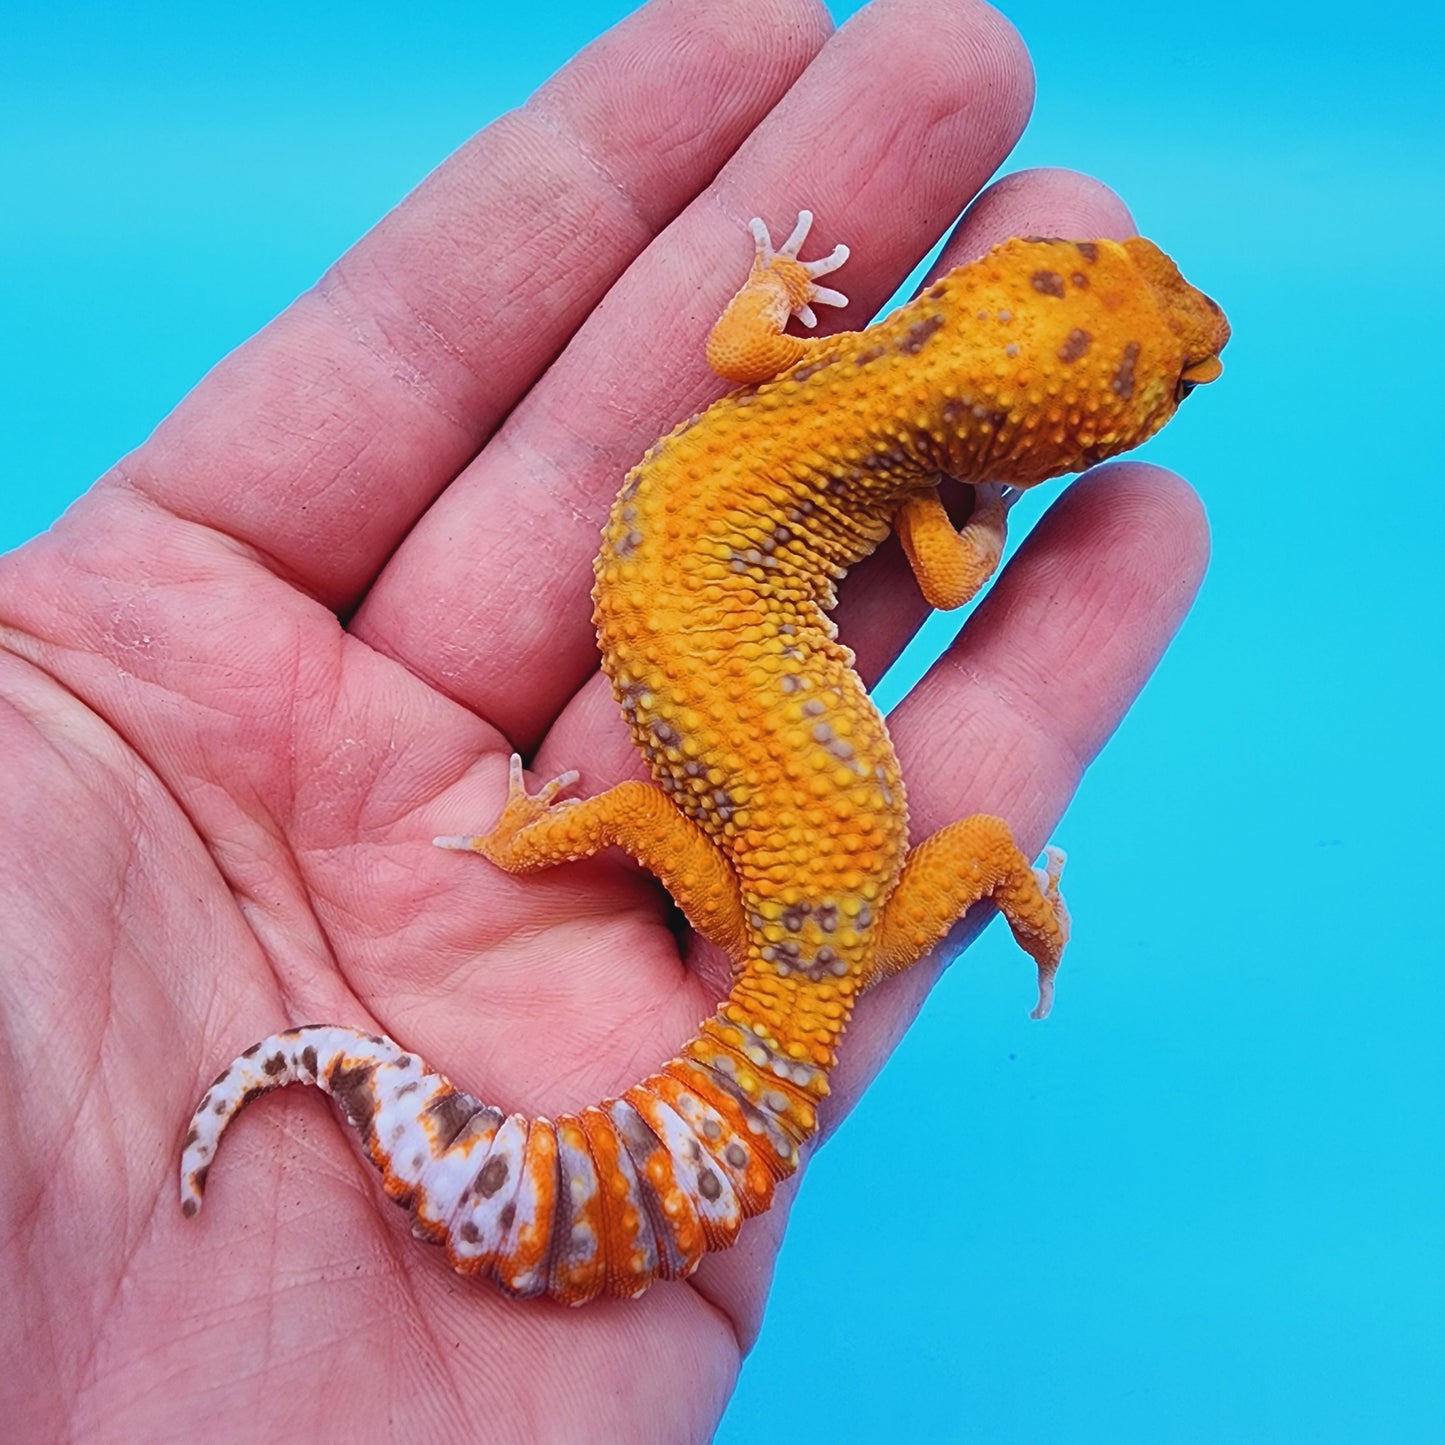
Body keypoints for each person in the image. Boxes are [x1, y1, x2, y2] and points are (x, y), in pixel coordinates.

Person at [0, 0, 1210, 1438]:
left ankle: (539, 859)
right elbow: (949, 573)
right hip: (811, 912)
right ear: (1043, 429)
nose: (1198, 343)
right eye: (1176, 369)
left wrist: (780, 285)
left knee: (925, 841)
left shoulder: (832, 369)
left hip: (789, 860)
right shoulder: (920, 472)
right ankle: (1021, 916)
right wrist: (987, 504)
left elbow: (741, 333)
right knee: (970, 849)